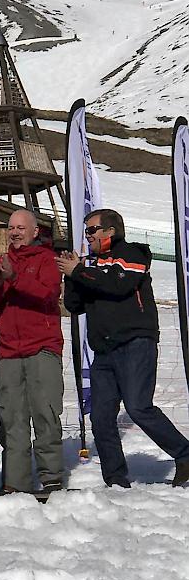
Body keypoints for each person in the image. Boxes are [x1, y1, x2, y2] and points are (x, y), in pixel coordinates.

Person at [56, 207, 189, 488]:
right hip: (103, 350)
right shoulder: (90, 266)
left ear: (110, 231)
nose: (88, 236)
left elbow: (118, 285)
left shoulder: (133, 253)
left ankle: (185, 454)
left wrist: (79, 271)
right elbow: (74, 305)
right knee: (101, 417)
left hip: (135, 341)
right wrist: (71, 275)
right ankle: (115, 478)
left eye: (92, 230)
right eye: (86, 231)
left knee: (138, 407)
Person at [0, 209, 64, 495]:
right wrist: (0, 281)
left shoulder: (48, 260)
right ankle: (16, 482)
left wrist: (14, 278)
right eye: (11, 227)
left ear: (35, 231)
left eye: (20, 227)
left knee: (45, 414)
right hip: (9, 353)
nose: (14, 232)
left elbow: (47, 294)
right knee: (11, 420)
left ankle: (50, 477)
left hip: (42, 348)